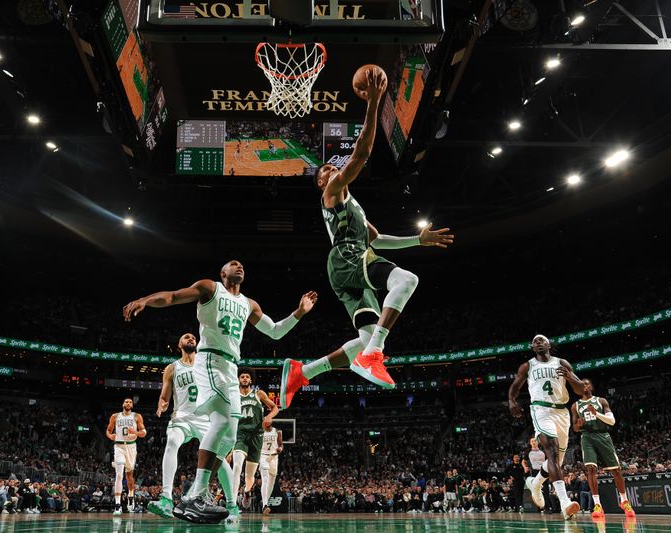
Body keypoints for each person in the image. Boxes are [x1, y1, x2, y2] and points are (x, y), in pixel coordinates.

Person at [279, 68, 453, 408]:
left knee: (364, 336)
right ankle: (375, 354)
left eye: (333, 167)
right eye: (326, 169)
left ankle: (304, 372)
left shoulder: (352, 204)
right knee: (407, 279)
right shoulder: (332, 190)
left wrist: (417, 241)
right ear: (322, 182)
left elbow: (379, 240)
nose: (332, 169)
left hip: (349, 265)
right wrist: (373, 103)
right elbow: (361, 153)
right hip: (347, 256)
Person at [122, 260, 316, 523]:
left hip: (230, 367)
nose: (239, 265)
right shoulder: (209, 288)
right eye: (232, 264)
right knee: (222, 420)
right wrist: (146, 299)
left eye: (242, 264)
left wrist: (300, 312)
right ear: (222, 273)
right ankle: (195, 494)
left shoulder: (249, 304)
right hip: (210, 359)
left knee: (228, 439)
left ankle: (196, 494)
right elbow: (172, 297)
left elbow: (275, 331)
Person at [146, 332, 235, 519]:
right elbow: (165, 395)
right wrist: (162, 403)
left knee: (220, 458)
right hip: (182, 417)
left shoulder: (206, 363)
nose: (191, 338)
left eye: (193, 337)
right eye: (186, 337)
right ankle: (166, 498)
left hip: (205, 418)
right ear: (179, 344)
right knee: (171, 442)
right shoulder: (172, 368)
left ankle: (232, 504)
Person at [508, 334, 585, 520]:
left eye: (542, 340)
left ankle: (535, 483)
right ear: (533, 347)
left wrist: (569, 377)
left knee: (557, 461)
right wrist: (511, 400)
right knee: (550, 451)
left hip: (562, 412)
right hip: (541, 410)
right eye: (535, 341)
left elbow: (581, 389)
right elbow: (515, 386)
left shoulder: (562, 363)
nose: (538, 343)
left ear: (549, 344)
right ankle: (565, 503)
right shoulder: (528, 366)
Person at [571, 378, 636, 518]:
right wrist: (579, 425)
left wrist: (596, 414)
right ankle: (597, 505)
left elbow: (612, 421)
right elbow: (574, 428)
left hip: (603, 435)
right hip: (587, 437)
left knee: (616, 470)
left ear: (591, 386)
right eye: (581, 384)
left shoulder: (601, 401)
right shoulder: (575, 405)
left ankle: (624, 501)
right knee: (590, 469)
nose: (584, 386)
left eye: (587, 383)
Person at [231, 368, 278, 511]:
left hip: (257, 436)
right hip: (241, 434)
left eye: (247, 377)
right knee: (237, 466)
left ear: (251, 380)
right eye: (242, 376)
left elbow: (275, 407)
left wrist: (269, 417)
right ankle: (232, 503)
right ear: (238, 379)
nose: (245, 378)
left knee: (249, 477)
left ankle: (246, 491)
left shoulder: (259, 393)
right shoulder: (234, 395)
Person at [105, 398, 147, 515]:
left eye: (130, 402)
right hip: (118, 446)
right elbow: (108, 430)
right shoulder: (115, 416)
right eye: (126, 402)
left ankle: (131, 494)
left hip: (131, 447)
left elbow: (144, 432)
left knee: (129, 476)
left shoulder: (137, 416)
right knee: (119, 474)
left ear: (132, 405)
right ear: (123, 404)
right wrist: (110, 436)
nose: (128, 403)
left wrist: (135, 432)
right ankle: (117, 505)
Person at [259, 420, 283, 514]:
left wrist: (280, 449)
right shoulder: (259, 433)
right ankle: (265, 505)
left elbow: (281, 444)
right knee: (265, 479)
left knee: (271, 482)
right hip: (263, 456)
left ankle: (265, 500)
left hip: (274, 457)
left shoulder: (277, 431)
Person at [527, 437, 555, 513]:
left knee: (546, 490)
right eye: (532, 441)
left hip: (543, 471)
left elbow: (548, 461)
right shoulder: (528, 452)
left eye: (535, 441)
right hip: (534, 472)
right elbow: (523, 461)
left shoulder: (542, 452)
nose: (533, 442)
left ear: (538, 442)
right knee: (536, 490)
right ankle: (539, 508)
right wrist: (525, 467)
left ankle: (548, 508)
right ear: (530, 443)